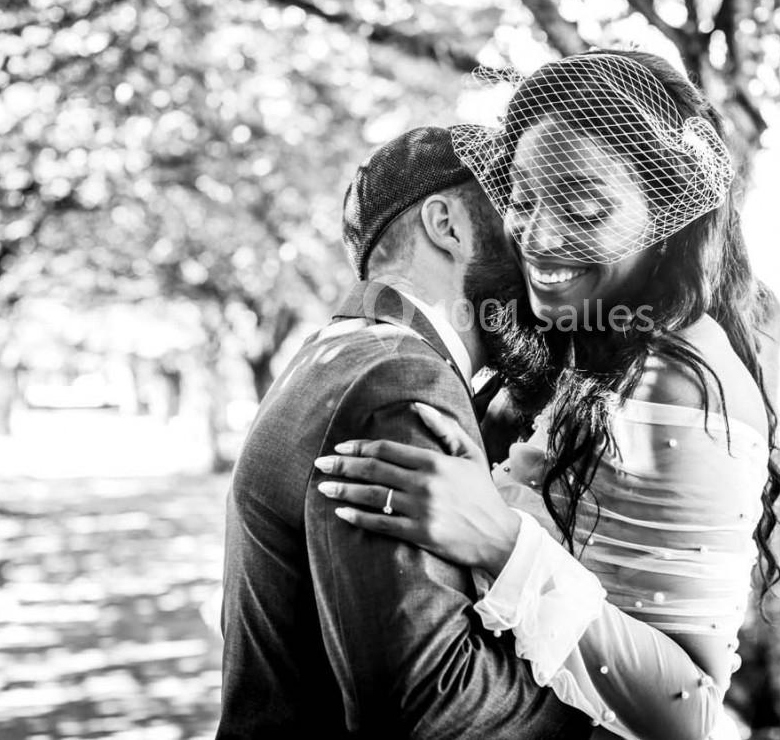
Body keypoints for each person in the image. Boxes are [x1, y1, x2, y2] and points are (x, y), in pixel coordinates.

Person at [315, 51, 780, 740]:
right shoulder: (606, 358)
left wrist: (499, 543)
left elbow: (691, 715)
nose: (538, 236)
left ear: (668, 217)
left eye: (584, 206)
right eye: (525, 200)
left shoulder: (673, 384)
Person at [217, 127, 590, 739]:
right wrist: (617, 702)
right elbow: (433, 709)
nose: (539, 243)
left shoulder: (334, 353)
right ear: (447, 224)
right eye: (517, 207)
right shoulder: (397, 377)